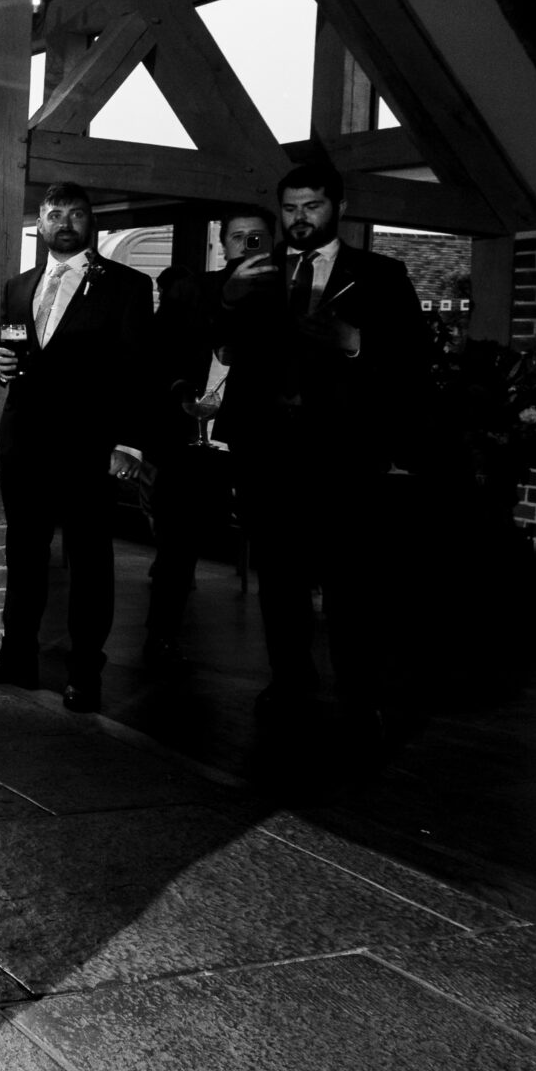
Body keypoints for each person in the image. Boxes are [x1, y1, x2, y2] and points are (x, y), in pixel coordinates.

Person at [216, 163, 429, 731]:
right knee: (279, 576)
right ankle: (288, 679)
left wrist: (355, 342)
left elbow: (414, 361)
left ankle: (358, 689)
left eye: (311, 206)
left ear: (338, 206)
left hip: (341, 450)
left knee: (349, 578)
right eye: (289, 209)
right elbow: (218, 345)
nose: (299, 219)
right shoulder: (252, 272)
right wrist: (230, 299)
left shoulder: (381, 274)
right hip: (266, 447)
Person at [0, 182, 154, 711]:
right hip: (24, 442)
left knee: (90, 561)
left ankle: (84, 672)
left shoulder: (126, 285)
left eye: (76, 213)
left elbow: (139, 373)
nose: (65, 222)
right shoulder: (19, 285)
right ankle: (17, 658)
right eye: (55, 214)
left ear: (90, 222)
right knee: (24, 554)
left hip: (89, 446)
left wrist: (129, 446)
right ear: (42, 225)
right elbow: (10, 347)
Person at [141, 207, 275, 667]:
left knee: (277, 558)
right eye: (238, 238)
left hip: (260, 443)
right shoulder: (193, 290)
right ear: (223, 244)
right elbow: (158, 354)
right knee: (176, 551)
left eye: (257, 237)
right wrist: (179, 389)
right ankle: (160, 636)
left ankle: (286, 667)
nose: (247, 246)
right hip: (194, 441)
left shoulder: (290, 294)